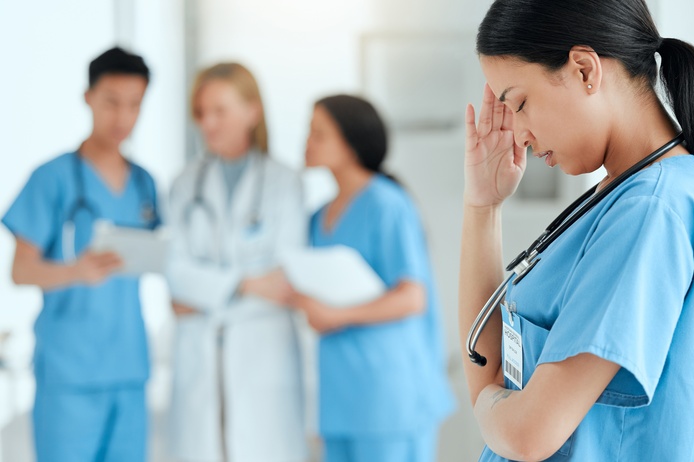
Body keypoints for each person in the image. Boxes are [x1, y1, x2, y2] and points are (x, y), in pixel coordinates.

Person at [459, 0, 694, 461]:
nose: (518, 134)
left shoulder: (649, 212)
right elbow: (487, 367)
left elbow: (528, 434)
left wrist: (487, 406)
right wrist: (483, 206)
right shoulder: (621, 196)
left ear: (583, 70)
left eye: (519, 103)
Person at [2, 47, 159, 462]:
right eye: (111, 102)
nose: (122, 118)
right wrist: (76, 271)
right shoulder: (51, 178)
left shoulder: (146, 185)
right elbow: (20, 270)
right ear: (88, 97)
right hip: (70, 372)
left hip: (129, 369)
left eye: (134, 105)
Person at [288, 94, 455, 462]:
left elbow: (413, 297)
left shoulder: (387, 204)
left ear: (349, 143)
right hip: (340, 396)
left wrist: (337, 316)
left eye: (319, 133)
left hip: (389, 392)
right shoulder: (317, 218)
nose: (307, 142)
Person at [165, 62, 309, 462]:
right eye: (200, 113)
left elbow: (284, 279)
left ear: (252, 111)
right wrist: (247, 285)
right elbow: (175, 277)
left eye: (219, 110)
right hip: (201, 356)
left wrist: (205, 292)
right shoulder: (183, 185)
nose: (207, 123)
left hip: (262, 352)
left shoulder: (285, 184)